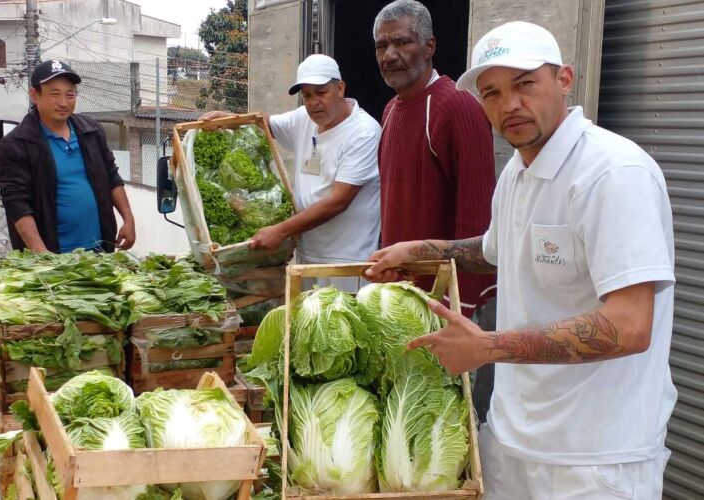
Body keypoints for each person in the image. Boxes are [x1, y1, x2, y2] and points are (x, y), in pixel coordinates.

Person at [367, 21, 676, 499]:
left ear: (565, 79)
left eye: (525, 84)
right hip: (512, 442)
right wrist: (419, 252)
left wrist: (490, 346)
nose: (508, 105)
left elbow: (631, 324)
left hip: (593, 460)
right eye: (491, 93)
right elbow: (493, 252)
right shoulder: (518, 171)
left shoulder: (614, 174)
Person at [202, 54, 381, 290]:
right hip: (308, 255)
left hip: (348, 262)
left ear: (340, 88)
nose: (313, 102)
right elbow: (266, 123)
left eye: (321, 92)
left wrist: (280, 230)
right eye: (306, 95)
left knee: (341, 324)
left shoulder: (363, 132)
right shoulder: (304, 119)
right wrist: (229, 118)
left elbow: (338, 201)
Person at [373, 0, 496, 318]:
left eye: (401, 42)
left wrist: (459, 307)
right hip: (403, 295)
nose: (389, 55)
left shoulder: (457, 105)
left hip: (444, 302)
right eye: (382, 45)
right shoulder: (390, 111)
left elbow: (477, 214)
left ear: (429, 47)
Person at [0, 59, 135, 253]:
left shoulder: (91, 132)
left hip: (100, 250)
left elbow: (112, 177)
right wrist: (44, 258)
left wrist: (128, 219)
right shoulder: (16, 145)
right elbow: (18, 205)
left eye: (70, 95)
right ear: (35, 95)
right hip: (54, 256)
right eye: (54, 94)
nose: (63, 103)